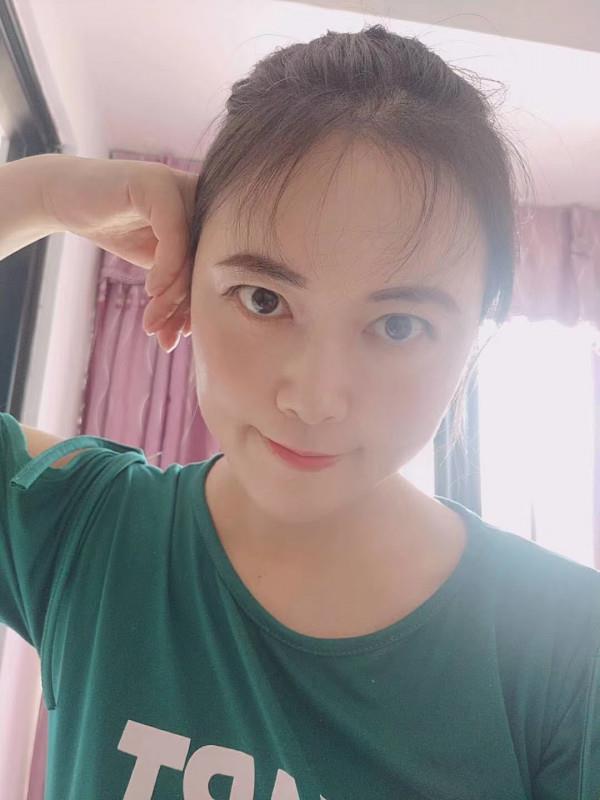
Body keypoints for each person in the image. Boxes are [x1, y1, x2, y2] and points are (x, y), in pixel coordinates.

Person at [1, 24, 599, 800]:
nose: (314, 398)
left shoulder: (570, 648)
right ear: (186, 278)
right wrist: (41, 193)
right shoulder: (87, 531)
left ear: (475, 336)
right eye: (263, 299)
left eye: (398, 325)